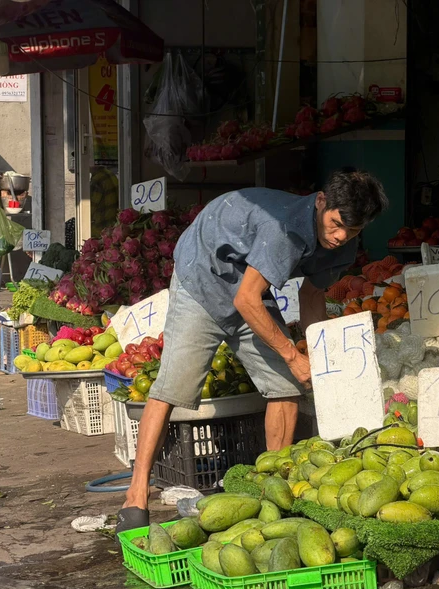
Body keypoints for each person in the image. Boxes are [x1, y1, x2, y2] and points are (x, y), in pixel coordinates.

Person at [116, 169, 389, 533]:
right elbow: (246, 300)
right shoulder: (284, 229)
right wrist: (291, 355)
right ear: (321, 202)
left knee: (286, 386)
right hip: (204, 274)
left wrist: (318, 357)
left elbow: (311, 295)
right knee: (171, 389)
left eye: (352, 231)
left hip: (249, 282)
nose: (341, 237)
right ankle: (136, 494)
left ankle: (272, 489)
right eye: (336, 224)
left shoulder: (343, 243)